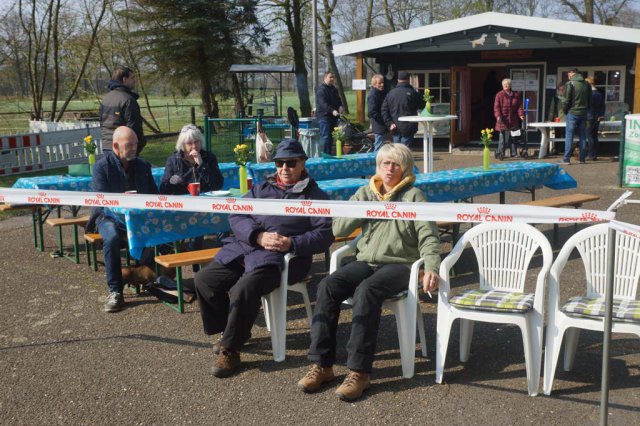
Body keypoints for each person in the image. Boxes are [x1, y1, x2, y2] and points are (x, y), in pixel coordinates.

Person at [298, 143, 441, 401]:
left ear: (405, 167)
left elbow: (428, 236)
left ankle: (359, 372)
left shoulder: (414, 196)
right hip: (367, 261)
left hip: (401, 264)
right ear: (378, 166)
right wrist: (361, 206)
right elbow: (339, 229)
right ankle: (322, 364)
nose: (389, 168)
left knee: (367, 290)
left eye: (396, 164)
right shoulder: (365, 192)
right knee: (327, 286)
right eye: (385, 163)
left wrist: (431, 267)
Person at [194, 139, 334, 378]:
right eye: (280, 163)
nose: (285, 168)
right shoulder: (261, 188)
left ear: (302, 164)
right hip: (246, 248)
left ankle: (230, 350)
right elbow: (237, 213)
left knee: (243, 289)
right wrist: (257, 235)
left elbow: (324, 235)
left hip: (283, 259)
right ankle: (228, 331)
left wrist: (292, 243)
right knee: (204, 281)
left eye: (291, 163)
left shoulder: (316, 196)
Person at [86, 126, 158, 313]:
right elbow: (102, 200)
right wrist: (122, 199)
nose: (134, 148)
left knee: (161, 229)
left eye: (135, 144)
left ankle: (153, 278)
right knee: (111, 238)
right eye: (130, 144)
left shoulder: (143, 165)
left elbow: (154, 194)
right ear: (116, 146)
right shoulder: (102, 167)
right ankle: (115, 291)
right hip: (108, 217)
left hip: (138, 216)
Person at [160, 123, 224, 272]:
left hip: (207, 205)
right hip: (182, 207)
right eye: (189, 143)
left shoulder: (209, 158)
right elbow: (163, 189)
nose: (194, 146)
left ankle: (216, 260)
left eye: (197, 142)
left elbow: (217, 185)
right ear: (182, 145)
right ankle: (197, 266)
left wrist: (202, 165)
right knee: (198, 227)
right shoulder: (174, 160)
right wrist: (172, 181)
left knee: (226, 224)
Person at [100, 66, 146, 154]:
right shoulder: (128, 100)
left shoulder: (106, 99)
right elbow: (134, 127)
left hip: (107, 146)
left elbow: (102, 124)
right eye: (132, 78)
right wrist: (138, 145)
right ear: (124, 79)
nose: (134, 81)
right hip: (124, 148)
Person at [381, 71, 425, 147]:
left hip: (395, 126)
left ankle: (398, 158)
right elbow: (422, 105)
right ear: (408, 80)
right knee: (404, 150)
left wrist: (390, 123)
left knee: (397, 150)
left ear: (398, 80)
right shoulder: (412, 92)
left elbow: (384, 110)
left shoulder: (390, 93)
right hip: (409, 126)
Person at [560, 68, 591, 164]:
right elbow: (590, 100)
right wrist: (586, 109)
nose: (568, 76)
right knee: (583, 136)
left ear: (572, 73)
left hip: (572, 113)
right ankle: (582, 159)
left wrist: (565, 111)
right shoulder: (587, 84)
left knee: (569, 136)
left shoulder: (570, 84)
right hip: (583, 113)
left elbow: (565, 101)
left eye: (568, 74)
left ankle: (566, 159)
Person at [493, 78, 524, 159]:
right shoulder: (499, 95)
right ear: (502, 86)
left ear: (510, 85)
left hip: (513, 120)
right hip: (503, 120)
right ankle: (501, 153)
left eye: (507, 84)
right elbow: (496, 107)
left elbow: (519, 107)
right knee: (502, 138)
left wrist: (521, 115)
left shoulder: (516, 95)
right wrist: (498, 116)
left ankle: (513, 153)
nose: (506, 86)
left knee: (513, 137)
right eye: (504, 85)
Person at [316, 71, 343, 154]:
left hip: (334, 117)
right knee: (326, 137)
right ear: (325, 78)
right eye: (330, 77)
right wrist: (332, 111)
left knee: (332, 137)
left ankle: (329, 154)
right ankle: (323, 155)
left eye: (333, 77)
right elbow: (323, 104)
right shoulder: (321, 90)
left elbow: (338, 100)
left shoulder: (334, 89)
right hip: (324, 117)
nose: (332, 79)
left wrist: (340, 106)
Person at [585, 76, 605, 161]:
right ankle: (594, 155)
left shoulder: (589, 94)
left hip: (589, 117)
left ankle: (591, 155)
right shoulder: (599, 93)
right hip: (597, 117)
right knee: (595, 136)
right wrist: (601, 115)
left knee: (590, 136)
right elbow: (603, 106)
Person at [367, 74, 387, 151]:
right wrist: (383, 120)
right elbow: (371, 112)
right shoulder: (373, 95)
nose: (382, 85)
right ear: (374, 84)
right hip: (378, 125)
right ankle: (376, 162)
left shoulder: (380, 93)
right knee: (378, 147)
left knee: (382, 147)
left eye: (383, 83)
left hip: (382, 125)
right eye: (379, 83)